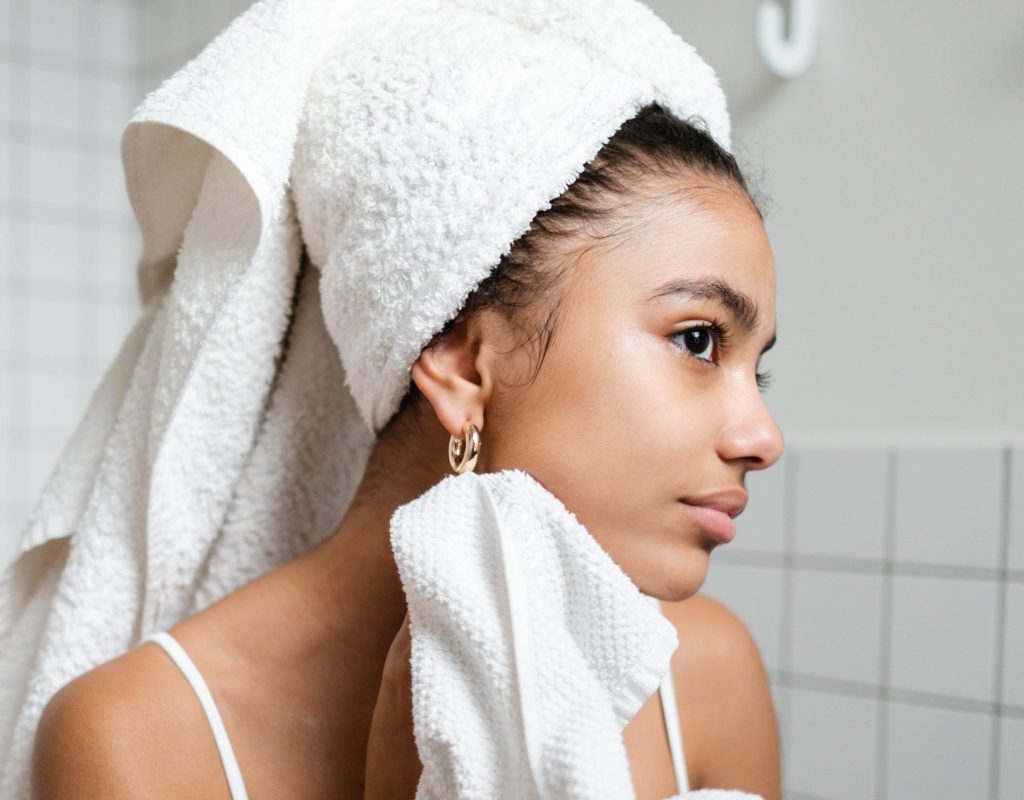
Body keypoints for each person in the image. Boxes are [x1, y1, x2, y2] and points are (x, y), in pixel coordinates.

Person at [29, 101, 783, 800]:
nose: (763, 439)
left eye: (760, 368)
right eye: (698, 339)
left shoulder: (706, 674)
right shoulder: (136, 740)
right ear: (463, 366)